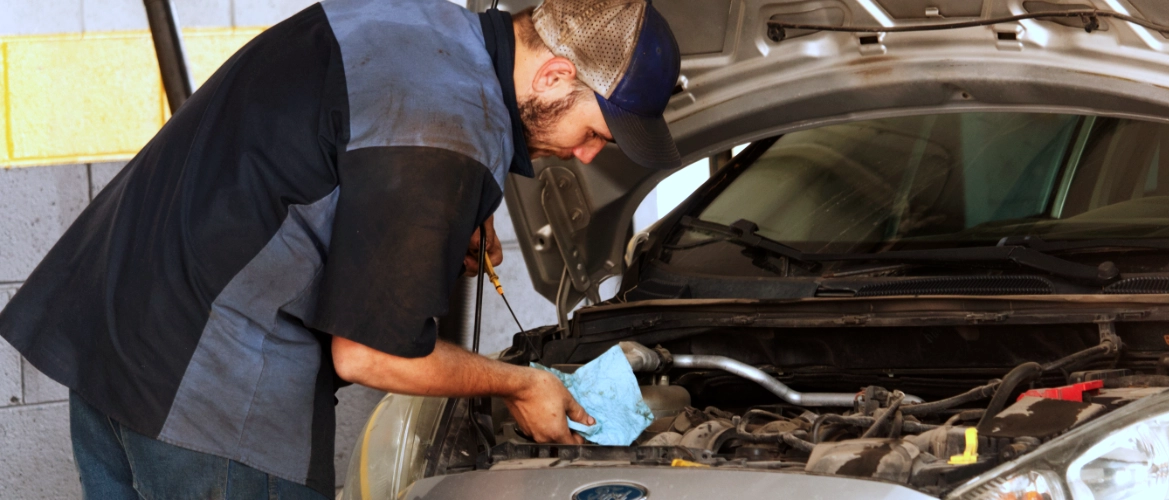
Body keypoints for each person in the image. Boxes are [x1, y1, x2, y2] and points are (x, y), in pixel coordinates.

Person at [0, 0, 682, 497]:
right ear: (556, 76)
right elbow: (369, 353)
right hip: (212, 401)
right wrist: (521, 383)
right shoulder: (447, 131)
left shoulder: (416, 23)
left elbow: (311, 156)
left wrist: (411, 234)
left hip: (106, 342)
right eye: (598, 132)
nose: (588, 155)